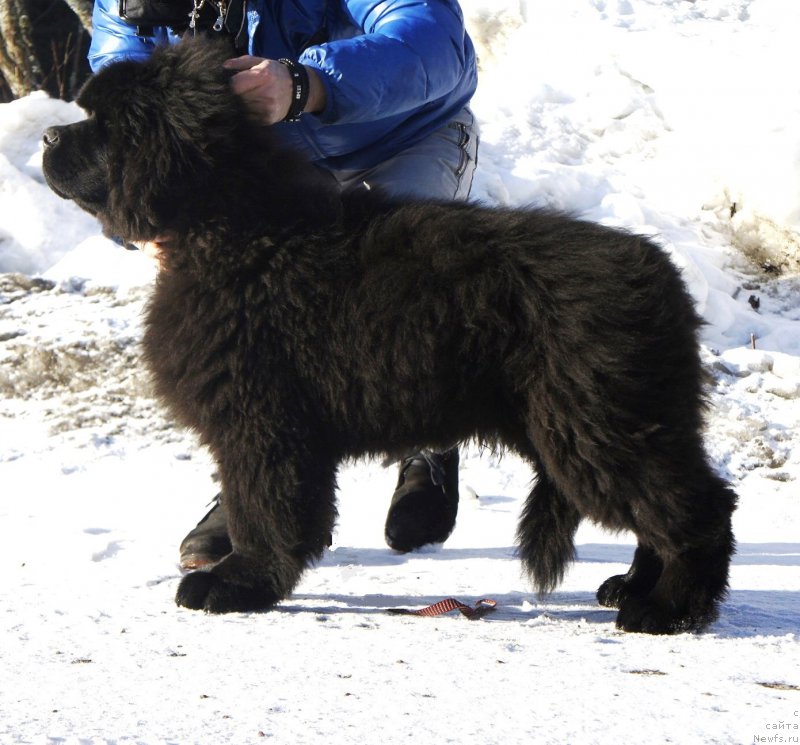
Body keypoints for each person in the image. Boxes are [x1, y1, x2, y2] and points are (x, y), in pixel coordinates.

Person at [88, 0, 479, 568]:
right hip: (275, 161)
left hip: (407, 136)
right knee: (243, 323)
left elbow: (432, 41)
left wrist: (307, 84)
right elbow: (121, 102)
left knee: (403, 284)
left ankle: (431, 440)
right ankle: (250, 496)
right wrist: (144, 222)